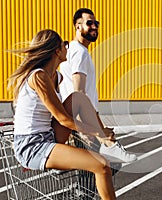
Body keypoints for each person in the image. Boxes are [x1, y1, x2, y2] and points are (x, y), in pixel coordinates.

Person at [8, 29, 116, 200]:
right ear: (57, 51)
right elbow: (63, 119)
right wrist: (96, 132)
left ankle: (105, 140)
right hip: (33, 145)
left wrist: (94, 130)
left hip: (49, 135)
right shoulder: (39, 77)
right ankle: (103, 137)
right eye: (64, 45)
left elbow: (66, 110)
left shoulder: (56, 77)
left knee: (78, 98)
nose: (68, 47)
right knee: (102, 165)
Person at [59, 8, 136, 163]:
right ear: (78, 26)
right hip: (84, 118)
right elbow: (78, 91)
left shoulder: (74, 50)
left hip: (83, 117)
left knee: (91, 170)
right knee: (101, 167)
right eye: (89, 23)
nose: (94, 26)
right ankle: (111, 146)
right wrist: (84, 126)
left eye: (96, 23)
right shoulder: (79, 52)